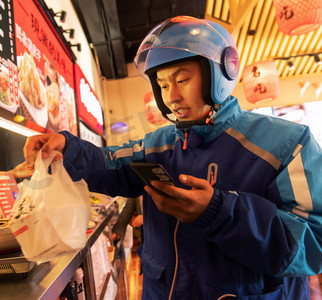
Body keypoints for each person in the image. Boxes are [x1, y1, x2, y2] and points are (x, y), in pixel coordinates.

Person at [23, 16, 322, 299]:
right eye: (163, 85)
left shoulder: (289, 143)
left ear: (218, 75)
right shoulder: (159, 145)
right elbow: (111, 163)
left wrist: (220, 212)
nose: (171, 97)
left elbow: (314, 245)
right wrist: (67, 148)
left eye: (182, 80)